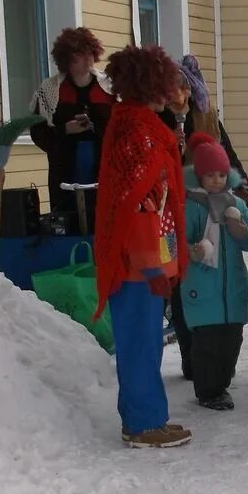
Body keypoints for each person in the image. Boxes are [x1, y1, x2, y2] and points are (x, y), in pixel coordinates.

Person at [92, 44, 190, 449]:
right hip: (137, 261)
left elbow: (158, 199)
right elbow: (139, 202)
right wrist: (154, 265)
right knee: (138, 343)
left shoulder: (140, 123)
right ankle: (141, 424)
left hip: (147, 254)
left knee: (147, 342)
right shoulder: (138, 130)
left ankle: (149, 416)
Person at [180, 133, 248, 411]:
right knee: (206, 343)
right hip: (202, 286)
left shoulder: (236, 205)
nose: (217, 180)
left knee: (231, 340)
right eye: (210, 175)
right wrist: (192, 250)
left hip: (231, 287)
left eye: (221, 175)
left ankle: (221, 383)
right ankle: (208, 390)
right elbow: (176, 241)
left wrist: (240, 229)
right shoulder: (190, 206)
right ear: (199, 176)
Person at [29, 27, 115, 219]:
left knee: (102, 219)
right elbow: (38, 131)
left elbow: (120, 129)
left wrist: (94, 127)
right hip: (65, 170)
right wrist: (64, 130)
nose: (88, 59)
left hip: (104, 169)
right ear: (66, 58)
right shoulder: (50, 89)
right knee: (67, 220)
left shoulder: (109, 87)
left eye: (90, 53)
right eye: (80, 55)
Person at [159, 54, 248, 213]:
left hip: (208, 195)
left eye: (172, 91)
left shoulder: (204, 114)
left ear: (187, 90)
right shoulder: (158, 115)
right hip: (170, 197)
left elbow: (227, 155)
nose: (167, 97)